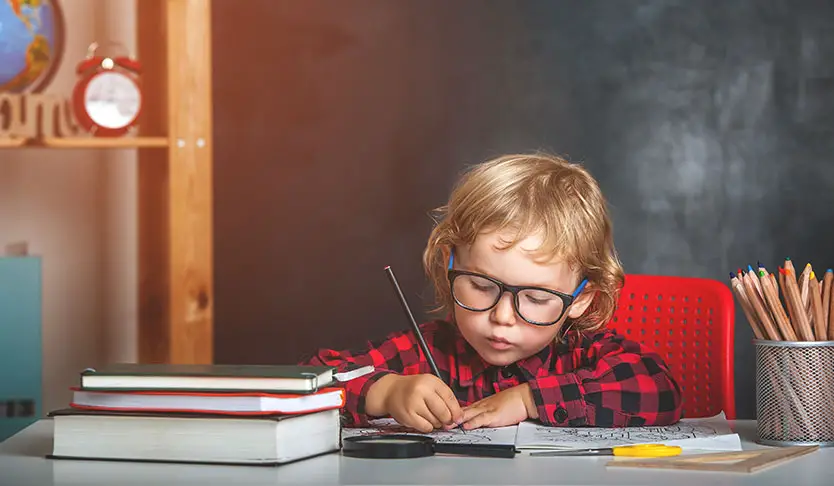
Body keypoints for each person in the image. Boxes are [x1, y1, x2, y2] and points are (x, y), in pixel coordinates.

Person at [300, 153, 682, 432]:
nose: (502, 316)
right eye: (482, 286)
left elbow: (659, 389)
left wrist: (527, 399)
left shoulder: (584, 355)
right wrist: (385, 392)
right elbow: (308, 379)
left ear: (581, 299)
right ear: (450, 265)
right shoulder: (425, 351)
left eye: (534, 298)